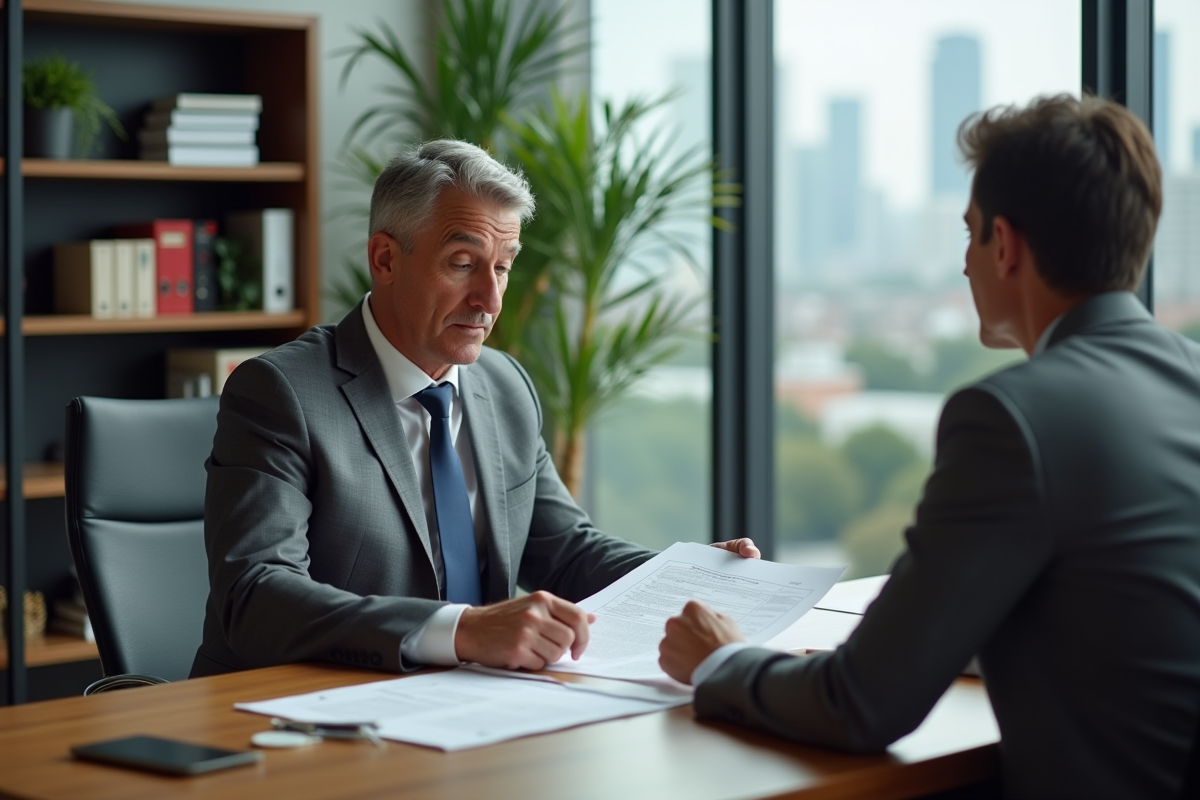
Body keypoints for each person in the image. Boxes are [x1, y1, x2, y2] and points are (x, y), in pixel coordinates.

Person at [658, 94, 1200, 799]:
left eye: (970, 234)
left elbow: (861, 703)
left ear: (1004, 244)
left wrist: (722, 659)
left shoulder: (1012, 418)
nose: (965, 266)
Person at [191, 139, 758, 679]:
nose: (489, 299)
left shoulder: (506, 386)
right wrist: (461, 631)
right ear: (385, 259)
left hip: (467, 707)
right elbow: (255, 594)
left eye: (503, 266)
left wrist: (686, 576)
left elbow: (564, 551)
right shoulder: (281, 393)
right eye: (463, 263)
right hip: (294, 711)